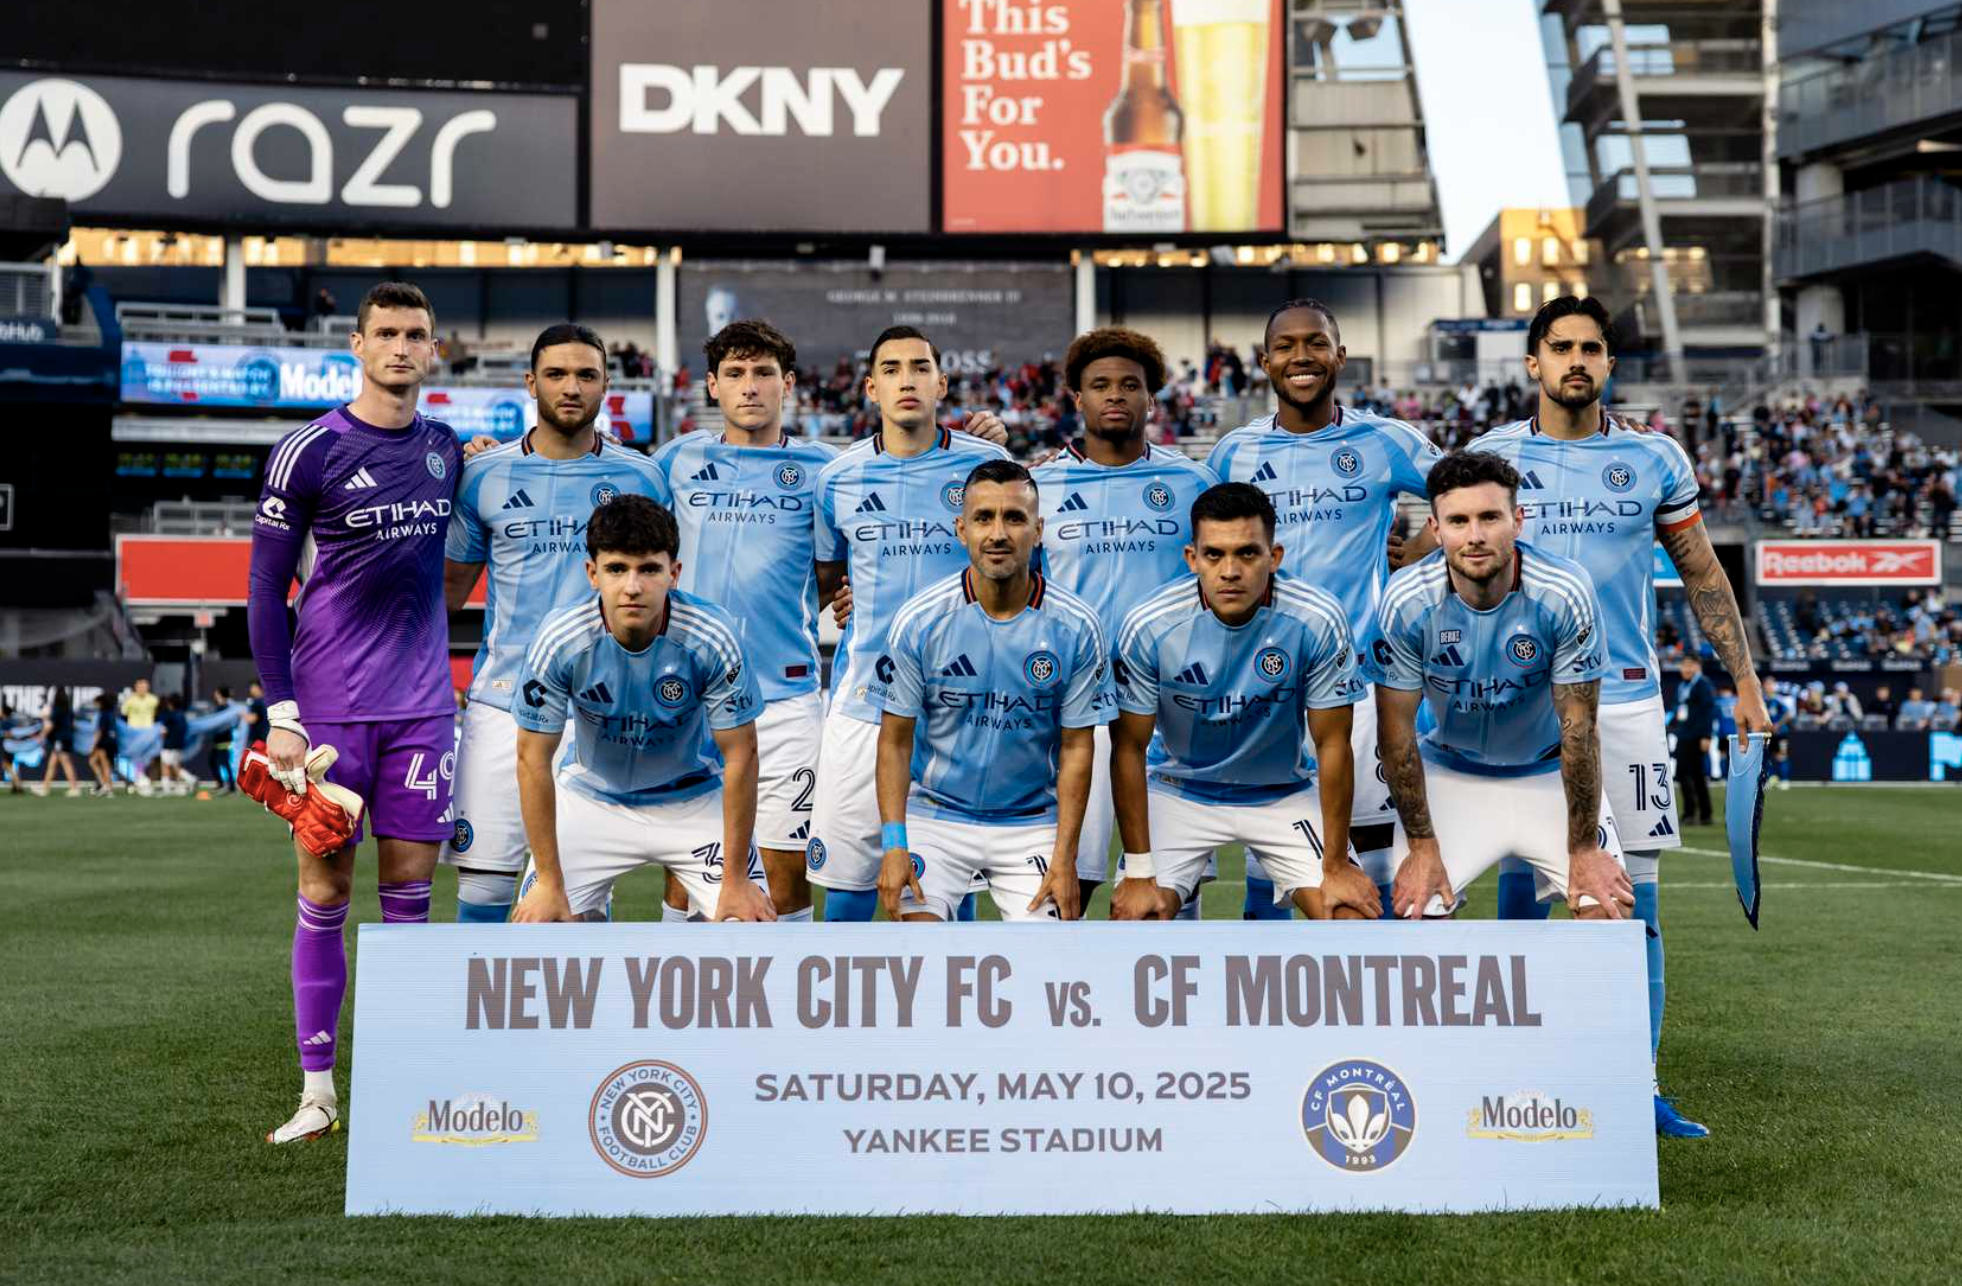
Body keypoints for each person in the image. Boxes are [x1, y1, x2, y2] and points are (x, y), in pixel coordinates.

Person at [1466, 295, 1770, 1140]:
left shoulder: (1651, 457)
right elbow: (1442, 555)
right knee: (1524, 882)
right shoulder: (1490, 455)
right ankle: (1513, 1074)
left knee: (1637, 902)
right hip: (1516, 699)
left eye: (1591, 349)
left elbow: (1704, 575)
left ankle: (1637, 1082)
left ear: (1608, 364)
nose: (1576, 361)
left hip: (1627, 698)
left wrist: (1742, 680)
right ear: (1532, 362)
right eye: (1559, 347)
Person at [248, 281, 461, 1145]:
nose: (402, 347)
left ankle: (400, 1081)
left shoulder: (450, 449)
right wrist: (282, 711)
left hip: (421, 713)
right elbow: (265, 590)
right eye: (387, 334)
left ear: (435, 350)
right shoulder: (310, 449)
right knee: (325, 890)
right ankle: (317, 1091)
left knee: (410, 899)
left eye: (417, 334)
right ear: (357, 344)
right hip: (330, 716)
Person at [1207, 299, 1444, 918]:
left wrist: (1415, 553)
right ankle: (1274, 1005)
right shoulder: (1233, 453)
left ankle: (1377, 993)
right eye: (1285, 346)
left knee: (1371, 847)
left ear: (1340, 357)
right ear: (1264, 363)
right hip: (1262, 687)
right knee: (1270, 854)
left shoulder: (1384, 440)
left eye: (1316, 344)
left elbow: (1466, 487)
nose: (1301, 357)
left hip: (1359, 684)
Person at [440, 323, 670, 925]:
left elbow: (665, 592)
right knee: (485, 887)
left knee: (584, 895)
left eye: (586, 375)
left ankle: (581, 1021)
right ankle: (478, 1019)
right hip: (502, 702)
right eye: (557, 375)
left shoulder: (642, 477)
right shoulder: (482, 475)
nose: (571, 387)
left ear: (607, 386)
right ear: (530, 383)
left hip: (602, 709)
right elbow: (447, 595)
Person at [1370, 450, 1633, 926]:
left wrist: (1584, 847)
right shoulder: (1406, 600)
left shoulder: (1564, 591)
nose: (1474, 536)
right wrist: (1424, 846)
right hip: (1450, 772)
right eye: (1458, 520)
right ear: (1435, 527)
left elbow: (1579, 730)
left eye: (1490, 517)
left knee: (1608, 912)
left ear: (1518, 520)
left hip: (1547, 773)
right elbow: (1396, 736)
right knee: (1414, 917)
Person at [808, 327, 1012, 921]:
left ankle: (958, 1010)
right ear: (871, 387)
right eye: (892, 369)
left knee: (950, 885)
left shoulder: (987, 465)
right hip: (865, 699)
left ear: (941, 384)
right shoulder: (838, 478)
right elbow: (828, 581)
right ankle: (838, 1011)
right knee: (846, 883)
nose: (907, 379)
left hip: (963, 704)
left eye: (920, 368)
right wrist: (850, 602)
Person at [1107, 483, 1379, 922]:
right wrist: (1139, 871)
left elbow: (1332, 745)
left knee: (1348, 912)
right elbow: (1128, 749)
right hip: (1181, 791)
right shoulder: (1149, 623)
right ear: (1192, 559)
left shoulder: (1316, 617)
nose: (1230, 570)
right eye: (1214, 554)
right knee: (1138, 918)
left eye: (1248, 554)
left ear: (1274, 558)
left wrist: (1335, 865)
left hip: (1282, 793)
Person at [648, 320, 844, 924]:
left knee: (785, 878)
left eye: (763, 373)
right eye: (734, 373)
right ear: (711, 386)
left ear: (788, 384)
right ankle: (675, 1008)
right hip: (685, 695)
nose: (750, 386)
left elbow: (844, 566)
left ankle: (786, 1014)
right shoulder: (675, 461)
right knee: (687, 872)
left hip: (782, 699)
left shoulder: (826, 470)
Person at [508, 495, 776, 925]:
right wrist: (549, 883)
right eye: (616, 569)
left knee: (745, 927)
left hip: (693, 799)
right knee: (544, 927)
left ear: (674, 573)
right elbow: (531, 759)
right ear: (592, 574)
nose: (632, 587)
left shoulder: (713, 635)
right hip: (592, 798)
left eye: (649, 569)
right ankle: (588, 911)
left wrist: (736, 880)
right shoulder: (561, 638)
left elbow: (742, 755)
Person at [870, 461, 1113, 922]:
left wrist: (1065, 857)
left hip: (1030, 822)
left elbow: (1078, 748)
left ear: (1038, 530)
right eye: (984, 518)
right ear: (961, 529)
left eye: (1014, 518)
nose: (998, 533)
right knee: (914, 952)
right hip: (937, 815)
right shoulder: (919, 620)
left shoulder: (1078, 626)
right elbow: (894, 741)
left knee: (1046, 967)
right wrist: (895, 843)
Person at [1032, 326, 1218, 912]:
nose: (1116, 395)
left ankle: (1175, 1002)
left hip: (1169, 708)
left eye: (1130, 385)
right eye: (1101, 385)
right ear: (1076, 398)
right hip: (1072, 709)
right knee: (1070, 883)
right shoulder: (1039, 484)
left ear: (1152, 399)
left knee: (1168, 885)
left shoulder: (1192, 484)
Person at [1670, 656, 1715, 826]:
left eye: (1689, 666)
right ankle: (1705, 814)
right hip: (1684, 733)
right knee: (1696, 775)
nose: (1686, 669)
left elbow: (1708, 710)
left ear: (1697, 666)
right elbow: (1678, 708)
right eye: (1683, 666)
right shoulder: (1683, 685)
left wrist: (1707, 735)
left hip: (1696, 735)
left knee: (1683, 773)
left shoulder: (1703, 684)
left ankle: (1691, 813)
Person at [38, 687, 81, 797]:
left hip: (60, 740)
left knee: (65, 763)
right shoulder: (68, 709)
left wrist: (41, 735)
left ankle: (74, 788)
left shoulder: (57, 709)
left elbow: (50, 726)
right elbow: (73, 725)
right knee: (52, 764)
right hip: (66, 739)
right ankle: (45, 788)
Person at [158, 695, 195, 794]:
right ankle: (181, 787)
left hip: (169, 744)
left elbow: (163, 731)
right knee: (175, 765)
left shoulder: (169, 715)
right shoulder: (182, 715)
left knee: (165, 765)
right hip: (179, 744)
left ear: (171, 703)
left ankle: (189, 779)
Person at [86, 693, 120, 796]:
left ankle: (108, 788)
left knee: (105, 765)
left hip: (104, 743)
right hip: (112, 742)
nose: (95, 705)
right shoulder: (111, 713)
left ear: (101, 703)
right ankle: (104, 785)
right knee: (93, 761)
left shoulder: (103, 714)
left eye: (96, 703)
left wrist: (93, 746)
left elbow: (99, 732)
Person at [209, 687, 238, 795]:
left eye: (216, 692)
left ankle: (231, 787)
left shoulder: (225, 708)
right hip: (218, 740)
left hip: (224, 740)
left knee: (224, 763)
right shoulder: (221, 708)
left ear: (219, 694)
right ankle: (221, 784)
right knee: (213, 761)